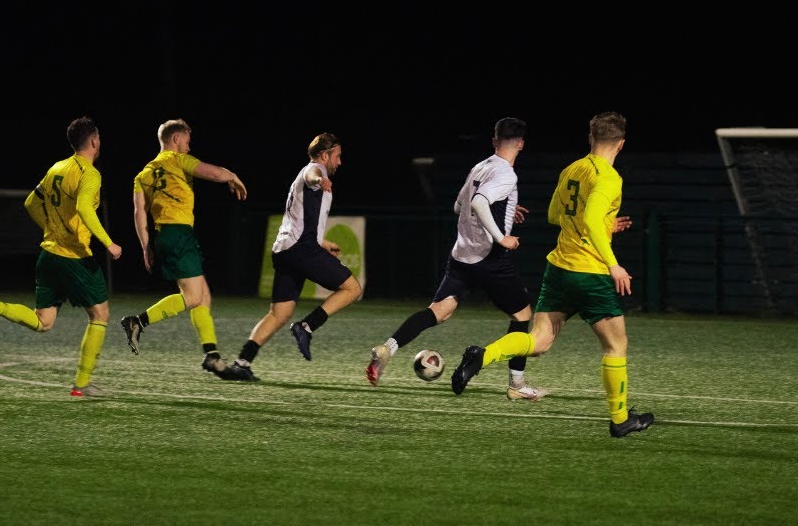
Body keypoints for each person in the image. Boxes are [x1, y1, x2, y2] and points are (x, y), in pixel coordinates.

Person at [450, 111, 654, 438]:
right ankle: (619, 419)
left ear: (591, 139)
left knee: (539, 340)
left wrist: (603, 224)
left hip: (559, 268)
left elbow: (555, 215)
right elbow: (589, 218)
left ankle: (482, 355)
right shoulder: (610, 178)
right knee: (616, 346)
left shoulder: (572, 169)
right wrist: (613, 261)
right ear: (621, 144)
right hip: (590, 273)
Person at [366, 116, 550, 401]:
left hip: (461, 256)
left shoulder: (480, 166)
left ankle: (387, 348)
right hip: (490, 259)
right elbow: (478, 203)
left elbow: (459, 205)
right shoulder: (506, 174)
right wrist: (501, 237)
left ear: (494, 141)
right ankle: (517, 385)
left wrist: (502, 211)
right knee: (522, 315)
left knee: (438, 311)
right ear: (522, 144)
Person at [0, 115, 123, 398]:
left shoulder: (56, 168)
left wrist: (52, 229)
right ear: (95, 141)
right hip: (74, 257)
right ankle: (81, 386)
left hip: (48, 254)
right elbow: (86, 209)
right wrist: (109, 243)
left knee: (43, 321)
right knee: (100, 314)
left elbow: (30, 203)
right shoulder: (90, 174)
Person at [220, 132, 362, 381]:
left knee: (279, 313)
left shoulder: (309, 175)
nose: (340, 162)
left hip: (286, 250)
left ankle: (242, 362)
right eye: (337, 156)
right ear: (324, 155)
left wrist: (323, 242)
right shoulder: (314, 170)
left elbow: (303, 219)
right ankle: (306, 326)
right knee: (352, 288)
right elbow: (311, 174)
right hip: (301, 250)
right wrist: (320, 178)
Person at [119, 118, 247, 377]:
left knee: (203, 296)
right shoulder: (177, 160)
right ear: (175, 139)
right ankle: (137, 322)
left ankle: (212, 356)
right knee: (193, 298)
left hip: (163, 235)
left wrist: (146, 247)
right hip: (179, 234)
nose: (188, 148)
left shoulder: (143, 174)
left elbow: (138, 213)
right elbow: (213, 172)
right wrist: (232, 176)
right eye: (187, 143)